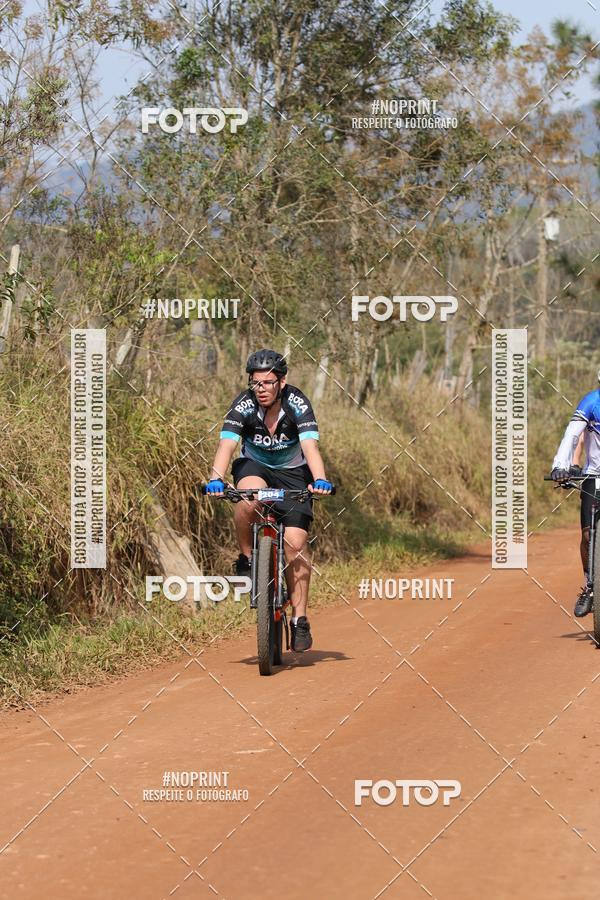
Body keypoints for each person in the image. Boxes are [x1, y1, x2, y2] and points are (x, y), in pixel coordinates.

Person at [206, 349, 332, 651]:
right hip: (256, 467)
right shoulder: (244, 403)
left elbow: (310, 447)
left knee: (295, 544)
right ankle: (248, 559)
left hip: (294, 475)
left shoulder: (297, 403)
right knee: (247, 499)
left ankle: (300, 620)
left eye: (267, 382)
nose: (261, 389)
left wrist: (320, 479)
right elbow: (227, 445)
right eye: (256, 382)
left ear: (282, 381)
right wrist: (215, 478)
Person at [551, 371, 600, 616]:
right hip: (595, 475)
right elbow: (572, 435)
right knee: (588, 534)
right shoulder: (591, 402)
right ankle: (591, 588)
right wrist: (561, 466)